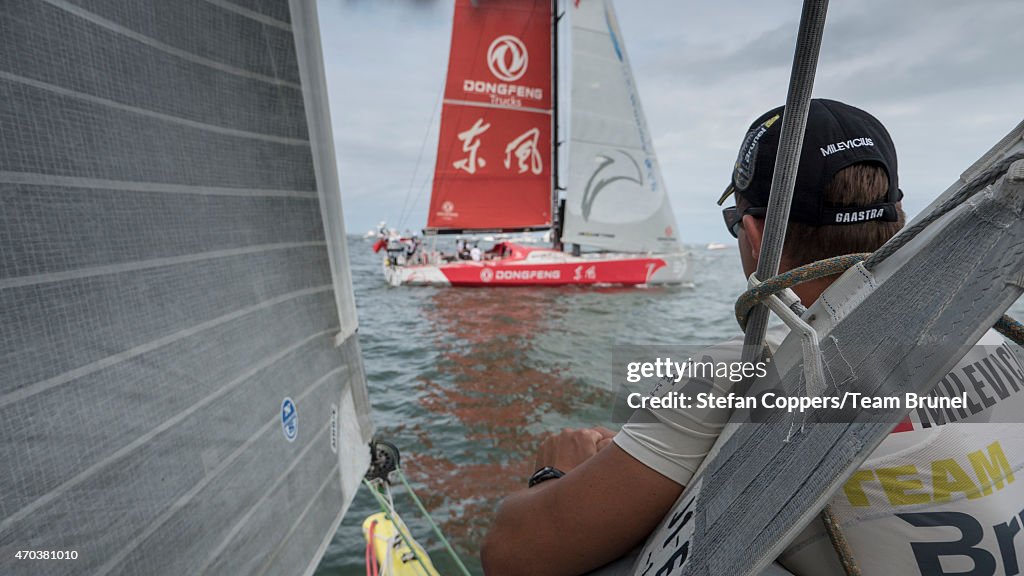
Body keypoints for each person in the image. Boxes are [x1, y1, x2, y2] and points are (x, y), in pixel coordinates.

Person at [481, 99, 1024, 576]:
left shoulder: (735, 377)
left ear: (754, 235)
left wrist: (555, 474)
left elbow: (512, 556)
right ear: (899, 218)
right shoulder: (999, 338)